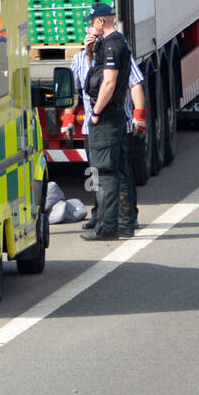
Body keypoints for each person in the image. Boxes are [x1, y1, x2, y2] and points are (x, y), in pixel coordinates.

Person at [68, 17, 146, 237]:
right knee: (97, 172)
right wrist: (89, 52)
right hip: (92, 125)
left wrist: (139, 116)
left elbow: (132, 83)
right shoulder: (82, 59)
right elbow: (76, 91)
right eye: (88, 32)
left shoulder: (116, 52)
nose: (92, 34)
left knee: (114, 172)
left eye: (94, 29)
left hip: (110, 121)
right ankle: (100, 215)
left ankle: (124, 219)